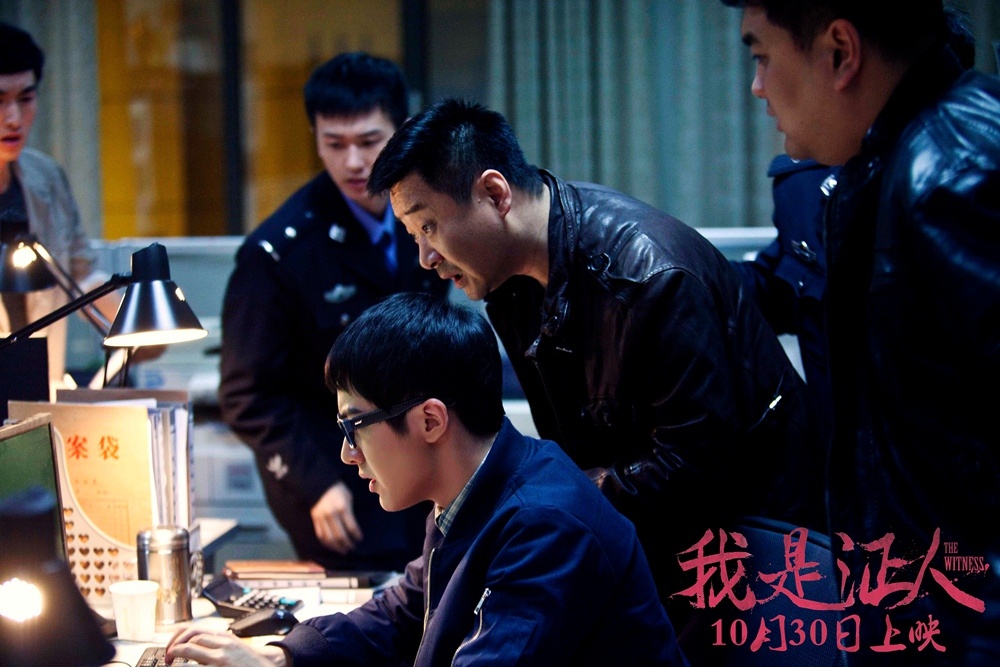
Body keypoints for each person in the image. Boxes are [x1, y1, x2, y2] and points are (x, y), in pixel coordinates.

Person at [366, 98, 827, 658]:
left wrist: (561, 504)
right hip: (657, 546)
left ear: (494, 193)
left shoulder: (649, 275)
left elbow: (694, 466)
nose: (425, 257)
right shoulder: (510, 280)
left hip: (754, 560)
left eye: (429, 226)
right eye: (413, 233)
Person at [169, 292, 689, 666]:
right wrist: (281, 657)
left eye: (354, 427)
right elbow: (403, 612)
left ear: (431, 421)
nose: (348, 455)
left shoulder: (543, 527)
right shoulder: (474, 488)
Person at [721, 1, 1000, 664]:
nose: (757, 87)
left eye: (762, 57)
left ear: (840, 53)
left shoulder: (952, 174)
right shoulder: (883, 163)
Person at [217, 52, 448, 572]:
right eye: (334, 144)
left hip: (427, 467)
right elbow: (246, 394)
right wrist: (314, 484)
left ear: (401, 131)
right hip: (340, 480)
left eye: (369, 141)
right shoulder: (280, 251)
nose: (353, 162)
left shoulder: (426, 217)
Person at [0, 22, 117, 389]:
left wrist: (141, 321)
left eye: (25, 99)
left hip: (39, 395)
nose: (14, 119)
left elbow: (82, 275)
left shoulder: (45, 177)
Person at [732, 156, 839, 435]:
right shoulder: (802, 184)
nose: (778, 136)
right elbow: (778, 289)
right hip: (833, 439)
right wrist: (683, 269)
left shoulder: (917, 181)